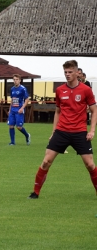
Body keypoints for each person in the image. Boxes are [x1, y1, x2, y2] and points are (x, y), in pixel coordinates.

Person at [28, 60, 97, 199]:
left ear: (77, 73)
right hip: (62, 131)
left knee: (90, 164)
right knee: (46, 161)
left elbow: (94, 111)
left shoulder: (86, 90)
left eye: (70, 72)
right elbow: (58, 112)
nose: (67, 74)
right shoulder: (60, 90)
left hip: (80, 132)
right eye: (65, 72)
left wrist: (92, 131)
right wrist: (54, 132)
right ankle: (35, 192)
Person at [8, 74, 31, 145]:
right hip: (12, 110)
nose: (15, 81)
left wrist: (22, 108)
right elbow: (12, 99)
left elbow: (27, 100)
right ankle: (12, 142)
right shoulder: (12, 89)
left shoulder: (22, 89)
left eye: (17, 79)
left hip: (19, 110)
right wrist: (9, 109)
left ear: (20, 80)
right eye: (14, 79)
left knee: (19, 127)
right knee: (11, 125)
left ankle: (27, 135)